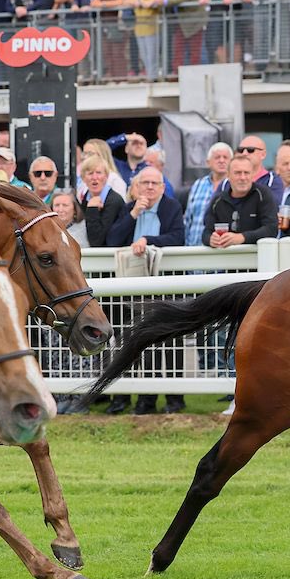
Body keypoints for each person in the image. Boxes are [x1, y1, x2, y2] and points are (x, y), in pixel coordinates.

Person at [107, 167, 187, 415]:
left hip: (166, 282)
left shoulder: (171, 207)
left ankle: (175, 399)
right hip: (134, 285)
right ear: (137, 187)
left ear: (163, 188)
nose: (150, 187)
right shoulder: (128, 207)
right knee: (140, 339)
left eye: (155, 183)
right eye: (146, 183)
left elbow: (178, 237)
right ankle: (146, 398)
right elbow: (113, 239)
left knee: (171, 340)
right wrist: (133, 214)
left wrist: (148, 240)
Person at [203, 154, 279, 247]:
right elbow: (206, 232)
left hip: (257, 257)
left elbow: (271, 229)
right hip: (225, 258)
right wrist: (211, 239)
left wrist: (242, 238)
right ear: (228, 176)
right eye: (237, 173)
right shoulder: (218, 200)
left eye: (246, 173)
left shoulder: (263, 195)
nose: (242, 178)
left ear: (252, 175)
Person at [184, 142, 233, 246]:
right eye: (217, 157)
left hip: (220, 250)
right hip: (193, 248)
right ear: (208, 162)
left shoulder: (235, 186)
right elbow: (188, 219)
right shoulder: (198, 184)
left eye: (225, 157)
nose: (221, 160)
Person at [78, 154, 127, 247]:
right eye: (90, 173)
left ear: (106, 176)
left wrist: (92, 209)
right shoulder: (85, 197)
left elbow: (96, 240)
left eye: (99, 173)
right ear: (83, 178)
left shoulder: (114, 201)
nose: (94, 177)